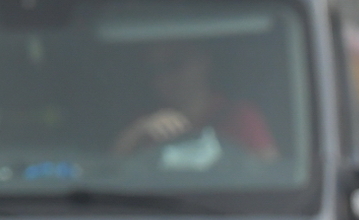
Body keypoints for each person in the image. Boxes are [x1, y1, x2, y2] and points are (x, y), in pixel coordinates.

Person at [113, 41, 278, 159]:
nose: (166, 77)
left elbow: (268, 170)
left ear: (202, 62)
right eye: (156, 71)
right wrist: (139, 130)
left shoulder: (240, 116)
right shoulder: (148, 126)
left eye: (175, 64)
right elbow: (114, 170)